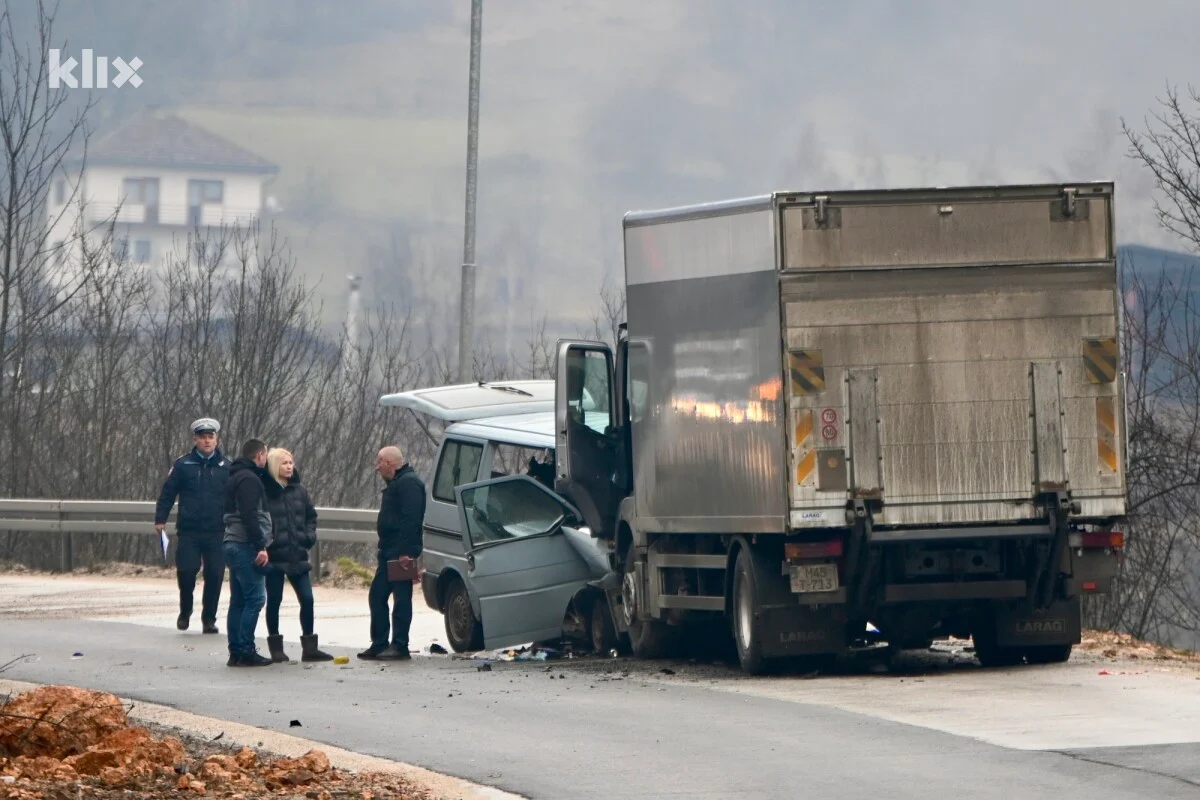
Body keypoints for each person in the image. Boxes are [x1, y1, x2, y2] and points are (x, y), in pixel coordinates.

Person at [154, 418, 231, 634]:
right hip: (189, 530)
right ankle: (185, 610)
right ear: (195, 439)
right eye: (203, 437)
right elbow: (168, 494)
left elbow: (236, 498)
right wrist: (160, 519)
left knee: (215, 575)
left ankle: (209, 619)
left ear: (217, 440)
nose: (207, 441)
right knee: (187, 571)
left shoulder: (227, 467)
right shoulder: (183, 465)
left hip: (217, 531)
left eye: (211, 437)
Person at [262, 447, 333, 663]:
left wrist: (308, 536)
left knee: (308, 600)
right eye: (284, 463)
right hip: (274, 557)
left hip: (297, 555)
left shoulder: (300, 491)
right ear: (275, 466)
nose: (289, 466)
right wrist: (267, 542)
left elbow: (311, 516)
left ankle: (310, 648)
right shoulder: (265, 492)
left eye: (291, 462)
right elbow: (259, 519)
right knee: (274, 601)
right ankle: (276, 648)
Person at [358, 445, 425, 661]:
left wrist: (407, 552)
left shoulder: (409, 483)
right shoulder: (397, 483)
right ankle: (379, 643)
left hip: (400, 552)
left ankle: (400, 645)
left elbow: (411, 519)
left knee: (401, 599)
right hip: (388, 551)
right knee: (377, 595)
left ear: (390, 463)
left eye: (379, 462)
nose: (377, 468)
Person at [222, 438, 274, 667]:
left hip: (231, 542)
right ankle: (245, 649)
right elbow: (249, 515)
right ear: (260, 455)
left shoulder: (234, 475)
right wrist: (260, 546)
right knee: (255, 598)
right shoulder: (250, 479)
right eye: (266, 455)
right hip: (245, 544)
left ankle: (235, 651)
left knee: (239, 600)